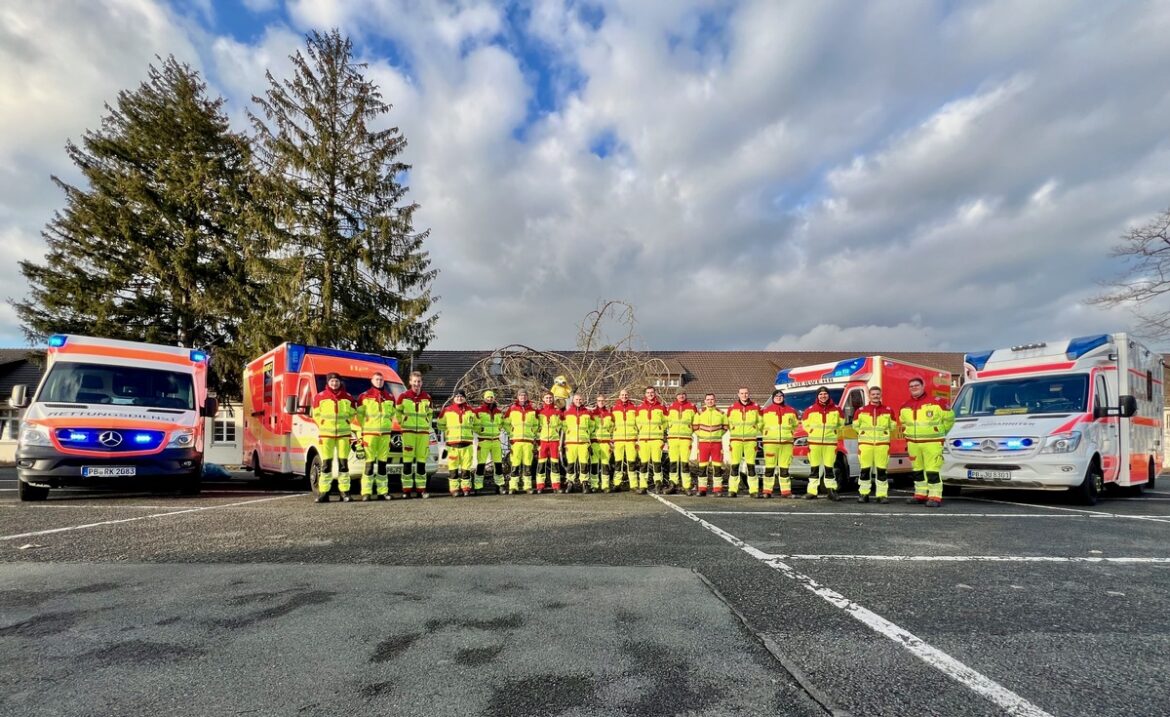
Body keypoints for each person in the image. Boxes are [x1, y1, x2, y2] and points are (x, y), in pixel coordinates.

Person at [899, 377, 955, 507]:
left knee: (932, 470)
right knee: (917, 470)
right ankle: (920, 494)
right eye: (911, 386)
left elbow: (950, 419)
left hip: (933, 442)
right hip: (913, 443)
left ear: (923, 386)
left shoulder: (938, 403)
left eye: (916, 385)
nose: (914, 387)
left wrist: (940, 433)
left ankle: (935, 497)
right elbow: (903, 423)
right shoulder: (905, 406)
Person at [312, 372, 357, 503]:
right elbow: (315, 414)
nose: (335, 383)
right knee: (326, 465)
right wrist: (323, 424)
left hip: (344, 435)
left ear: (340, 382)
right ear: (328, 383)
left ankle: (344, 492)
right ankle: (324, 492)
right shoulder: (319, 397)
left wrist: (347, 422)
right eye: (332, 381)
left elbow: (353, 413)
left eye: (337, 381)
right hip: (327, 435)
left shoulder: (347, 397)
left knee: (344, 464)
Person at [356, 372, 395, 501]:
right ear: (372, 380)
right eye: (377, 379)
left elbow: (392, 415)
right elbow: (359, 417)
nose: (379, 382)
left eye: (381, 380)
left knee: (383, 465)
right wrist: (366, 429)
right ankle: (366, 492)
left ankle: (382, 491)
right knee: (369, 465)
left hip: (384, 436)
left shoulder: (389, 397)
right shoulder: (364, 396)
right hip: (370, 435)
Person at [854, 385, 896, 503]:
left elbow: (892, 426)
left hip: (882, 445)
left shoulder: (888, 410)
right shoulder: (861, 411)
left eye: (877, 394)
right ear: (869, 395)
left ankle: (882, 495)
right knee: (865, 470)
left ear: (880, 395)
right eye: (873, 394)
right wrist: (864, 434)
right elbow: (855, 426)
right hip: (865, 445)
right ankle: (863, 494)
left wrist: (883, 434)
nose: (875, 396)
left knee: (881, 470)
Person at [801, 386, 843, 500]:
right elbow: (805, 424)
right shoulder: (810, 410)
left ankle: (831, 491)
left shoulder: (837, 409)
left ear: (828, 395)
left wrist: (834, 433)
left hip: (830, 444)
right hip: (814, 443)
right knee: (814, 468)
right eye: (820, 394)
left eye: (825, 394)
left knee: (829, 468)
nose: (823, 396)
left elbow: (841, 424)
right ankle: (812, 492)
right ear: (817, 396)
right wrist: (812, 431)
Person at [396, 371, 433, 499]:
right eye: (414, 381)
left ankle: (421, 490)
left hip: (423, 433)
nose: (416, 384)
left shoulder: (427, 397)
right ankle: (406, 490)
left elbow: (430, 414)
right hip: (408, 433)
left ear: (421, 383)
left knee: (421, 462)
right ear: (410, 382)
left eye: (419, 381)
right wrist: (403, 424)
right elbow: (398, 413)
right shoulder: (403, 396)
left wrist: (427, 425)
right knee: (407, 461)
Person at [760, 389, 800, 498]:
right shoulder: (765, 411)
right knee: (769, 468)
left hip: (786, 443)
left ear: (783, 398)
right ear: (773, 398)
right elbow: (760, 425)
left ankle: (786, 492)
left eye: (781, 396)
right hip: (770, 443)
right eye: (776, 397)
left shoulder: (791, 411)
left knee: (784, 469)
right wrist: (766, 433)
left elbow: (796, 425)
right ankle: (767, 491)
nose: (779, 398)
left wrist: (790, 433)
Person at [725, 387, 762, 497]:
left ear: (748, 394)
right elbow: (727, 423)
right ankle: (732, 490)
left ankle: (754, 490)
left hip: (750, 441)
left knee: (751, 466)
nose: (744, 395)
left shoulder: (756, 407)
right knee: (735, 466)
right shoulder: (732, 408)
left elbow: (761, 422)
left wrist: (755, 430)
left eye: (746, 393)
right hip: (736, 441)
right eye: (742, 393)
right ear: (738, 394)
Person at [439, 391, 477, 497]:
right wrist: (449, 432)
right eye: (457, 396)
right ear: (453, 398)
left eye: (461, 396)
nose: (459, 398)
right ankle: (454, 489)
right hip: (452, 446)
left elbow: (477, 425)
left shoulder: (471, 411)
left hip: (467, 445)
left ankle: (466, 488)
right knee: (453, 469)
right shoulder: (447, 410)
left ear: (464, 398)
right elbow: (440, 424)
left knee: (466, 469)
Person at [503, 390, 539, 494]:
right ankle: (513, 487)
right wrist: (511, 433)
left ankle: (527, 487)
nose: (522, 397)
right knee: (515, 464)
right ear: (517, 397)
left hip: (528, 441)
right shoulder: (512, 409)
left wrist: (533, 433)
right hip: (516, 441)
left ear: (527, 397)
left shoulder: (532, 410)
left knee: (527, 465)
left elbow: (536, 425)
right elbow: (505, 423)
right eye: (520, 395)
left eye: (524, 395)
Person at [692, 392, 727, 496]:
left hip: (717, 444)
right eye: (708, 399)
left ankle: (717, 490)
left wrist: (717, 435)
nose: (710, 401)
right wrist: (702, 435)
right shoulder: (699, 413)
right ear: (705, 401)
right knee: (702, 467)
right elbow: (695, 427)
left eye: (712, 399)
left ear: (715, 401)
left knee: (717, 467)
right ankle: (702, 489)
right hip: (703, 443)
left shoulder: (721, 413)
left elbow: (725, 427)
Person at [635, 386, 668, 494]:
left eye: (652, 392)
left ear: (655, 393)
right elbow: (636, 422)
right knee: (643, 464)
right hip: (644, 440)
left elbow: (666, 422)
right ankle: (643, 486)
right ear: (645, 394)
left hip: (656, 440)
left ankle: (658, 485)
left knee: (657, 463)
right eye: (648, 393)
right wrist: (641, 429)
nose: (650, 394)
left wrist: (660, 429)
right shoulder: (639, 408)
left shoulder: (661, 407)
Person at [474, 390, 506, 494]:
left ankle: (500, 485)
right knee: (481, 464)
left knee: (498, 464)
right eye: (488, 397)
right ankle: (478, 486)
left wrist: (498, 430)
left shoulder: (498, 411)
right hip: (484, 441)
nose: (490, 399)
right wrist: (480, 430)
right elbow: (474, 424)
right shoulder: (478, 411)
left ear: (494, 398)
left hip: (496, 441)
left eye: (491, 397)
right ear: (484, 398)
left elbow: (502, 423)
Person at [561, 393, 594, 493]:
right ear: (573, 401)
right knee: (571, 464)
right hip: (571, 443)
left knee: (584, 464)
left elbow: (592, 426)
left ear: (582, 400)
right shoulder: (567, 413)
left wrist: (587, 434)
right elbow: (563, 426)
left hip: (583, 443)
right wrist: (569, 434)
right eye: (576, 400)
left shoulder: (587, 413)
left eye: (580, 399)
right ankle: (570, 482)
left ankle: (584, 483)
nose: (578, 401)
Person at [666, 390, 697, 493]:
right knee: (673, 463)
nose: (681, 396)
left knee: (685, 463)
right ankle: (672, 484)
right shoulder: (670, 407)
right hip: (673, 439)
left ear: (686, 395)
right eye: (679, 394)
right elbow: (666, 422)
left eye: (683, 394)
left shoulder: (692, 407)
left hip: (686, 439)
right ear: (676, 396)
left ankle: (686, 486)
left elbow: (696, 423)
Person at [611, 388, 639, 491]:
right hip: (618, 440)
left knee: (631, 463)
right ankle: (617, 484)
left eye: (626, 395)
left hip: (631, 440)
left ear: (629, 396)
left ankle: (634, 485)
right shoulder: (614, 408)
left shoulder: (634, 408)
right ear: (619, 396)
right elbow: (611, 424)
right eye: (622, 395)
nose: (624, 396)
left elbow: (638, 423)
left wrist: (638, 438)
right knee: (618, 463)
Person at [537, 391, 564, 492]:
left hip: (554, 441)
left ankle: (556, 486)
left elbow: (563, 426)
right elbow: (536, 427)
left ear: (553, 399)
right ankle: (540, 486)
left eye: (550, 398)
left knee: (555, 464)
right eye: (546, 398)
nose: (548, 400)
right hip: (543, 441)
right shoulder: (539, 413)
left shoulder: (557, 412)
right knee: (541, 465)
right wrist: (537, 442)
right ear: (543, 399)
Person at [591, 394, 616, 492]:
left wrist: (611, 440)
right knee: (594, 465)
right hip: (595, 443)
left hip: (606, 443)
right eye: (599, 401)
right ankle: (594, 485)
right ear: (596, 402)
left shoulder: (609, 414)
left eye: (602, 401)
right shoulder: (592, 414)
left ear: (605, 402)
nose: (601, 402)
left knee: (605, 465)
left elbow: (613, 428)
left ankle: (605, 486)